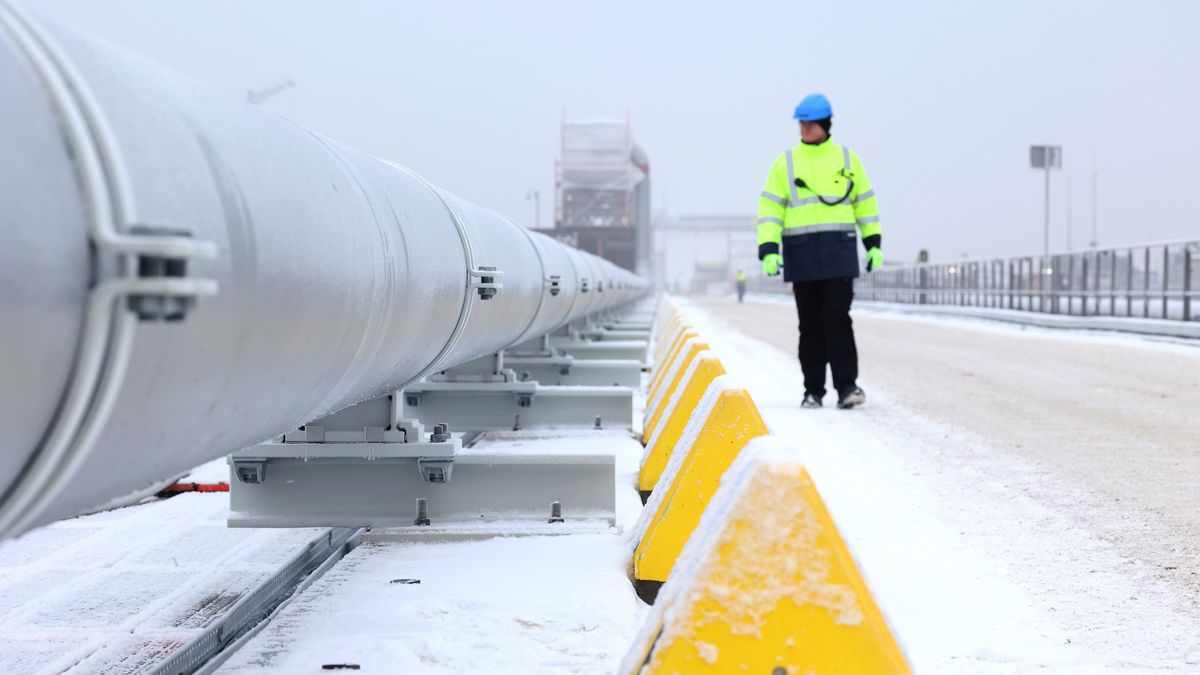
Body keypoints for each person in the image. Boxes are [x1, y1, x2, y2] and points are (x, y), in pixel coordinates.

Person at [756, 93, 882, 410]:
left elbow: (865, 204)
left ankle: (847, 387)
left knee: (837, 319)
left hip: (839, 253)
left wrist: (873, 243)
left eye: (810, 124)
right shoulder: (785, 163)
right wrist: (768, 248)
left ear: (826, 125)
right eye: (802, 124)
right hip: (802, 255)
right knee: (810, 325)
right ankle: (813, 391)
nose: (804, 129)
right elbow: (770, 209)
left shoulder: (847, 160)